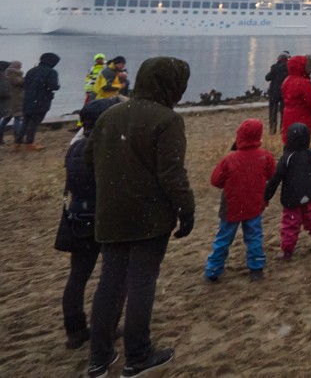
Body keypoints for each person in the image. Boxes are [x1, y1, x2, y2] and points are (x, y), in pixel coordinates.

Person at [85, 56, 194, 378]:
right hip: (149, 216)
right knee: (142, 282)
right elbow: (172, 174)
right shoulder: (166, 119)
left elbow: (89, 159)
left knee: (110, 283)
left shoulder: (109, 114)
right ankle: (138, 355)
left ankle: (99, 358)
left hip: (111, 212)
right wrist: (186, 210)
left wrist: (115, 185)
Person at [55, 98, 120, 350]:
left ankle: (74, 330)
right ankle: (107, 327)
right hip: (105, 219)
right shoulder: (106, 148)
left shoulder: (74, 147)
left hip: (78, 217)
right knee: (112, 277)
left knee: (77, 277)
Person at [203, 119, 275, 282]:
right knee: (254, 237)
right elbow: (271, 174)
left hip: (232, 205)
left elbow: (215, 180)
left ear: (239, 136)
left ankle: (213, 270)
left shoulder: (230, 159)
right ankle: (256, 269)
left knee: (223, 238)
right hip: (254, 204)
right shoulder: (265, 156)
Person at [264, 122, 311, 260]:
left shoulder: (287, 158)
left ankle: (287, 251)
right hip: (309, 195)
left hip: (291, 198)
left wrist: (266, 195)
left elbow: (275, 179)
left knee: (290, 224)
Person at [19, 52, 61, 150]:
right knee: (34, 122)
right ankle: (29, 143)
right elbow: (53, 86)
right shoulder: (51, 72)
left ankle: (17, 142)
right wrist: (57, 86)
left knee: (25, 121)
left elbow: (25, 84)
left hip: (28, 99)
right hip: (42, 100)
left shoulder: (31, 71)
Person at [280, 55, 311, 145]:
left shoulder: (287, 80)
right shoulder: (304, 82)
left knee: (289, 143)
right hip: (302, 117)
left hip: (287, 116)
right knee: (302, 144)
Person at [264, 52, 289, 135]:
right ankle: (282, 130)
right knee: (284, 112)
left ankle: (272, 130)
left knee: (273, 112)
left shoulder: (274, 67)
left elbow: (267, 78)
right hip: (284, 93)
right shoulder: (288, 68)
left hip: (273, 93)